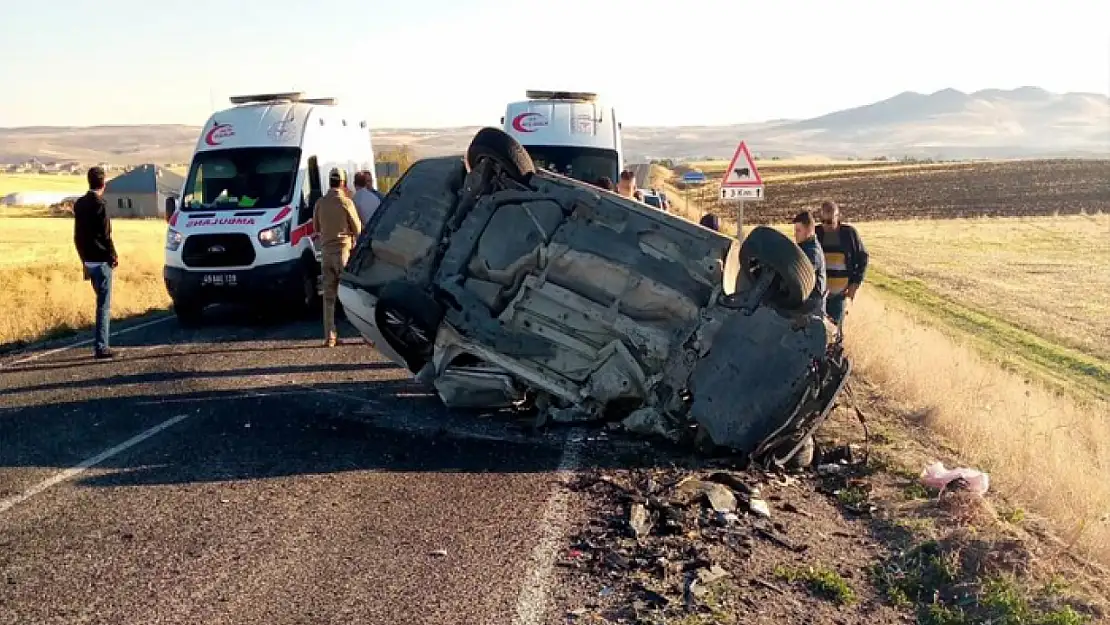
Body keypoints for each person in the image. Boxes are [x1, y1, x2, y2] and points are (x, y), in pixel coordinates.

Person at [312, 168, 362, 347]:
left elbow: (316, 228)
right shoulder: (345, 202)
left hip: (326, 253)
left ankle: (330, 337)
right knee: (351, 296)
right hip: (343, 253)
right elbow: (358, 228)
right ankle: (364, 334)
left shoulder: (320, 203)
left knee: (329, 297)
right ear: (343, 182)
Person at [73, 167, 118, 359]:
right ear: (103, 184)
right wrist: (113, 255)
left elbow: (77, 235)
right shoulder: (101, 205)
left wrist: (83, 259)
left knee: (100, 300)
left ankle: (101, 343)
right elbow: (106, 236)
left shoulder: (80, 204)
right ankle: (101, 346)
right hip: (101, 261)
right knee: (103, 305)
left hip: (88, 260)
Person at [815, 200, 869, 326]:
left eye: (829, 222)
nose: (826, 225)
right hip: (819, 296)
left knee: (835, 332)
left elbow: (863, 258)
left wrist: (855, 283)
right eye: (822, 221)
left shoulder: (849, 234)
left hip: (839, 296)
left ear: (837, 218)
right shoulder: (816, 233)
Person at [792, 210, 827, 315]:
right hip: (807, 305)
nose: (795, 234)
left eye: (798, 230)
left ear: (809, 230)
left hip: (813, 309)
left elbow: (799, 275)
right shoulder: (804, 247)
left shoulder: (812, 252)